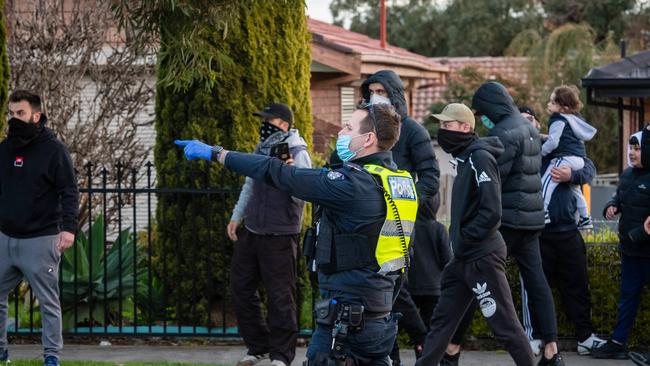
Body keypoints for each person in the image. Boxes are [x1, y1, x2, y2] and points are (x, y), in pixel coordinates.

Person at [176, 102, 418, 366]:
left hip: (348, 323)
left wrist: (218, 153)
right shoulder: (400, 182)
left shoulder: (353, 185)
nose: (341, 132)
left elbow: (278, 172)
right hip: (380, 316)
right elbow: (401, 254)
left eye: (348, 128)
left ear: (368, 138)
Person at [329, 69, 440, 365]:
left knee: (393, 293)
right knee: (378, 301)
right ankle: (396, 353)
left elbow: (430, 177)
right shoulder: (357, 130)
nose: (375, 95)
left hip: (394, 226)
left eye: (382, 90)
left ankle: (419, 341)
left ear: (395, 94)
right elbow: (335, 167)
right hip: (360, 224)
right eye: (371, 90)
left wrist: (403, 200)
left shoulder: (413, 131)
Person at [416, 102, 535, 366]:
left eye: (448, 125)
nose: (443, 130)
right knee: (442, 323)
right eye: (441, 125)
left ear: (466, 127)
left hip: (482, 256)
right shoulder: (465, 157)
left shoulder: (479, 157)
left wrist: (466, 238)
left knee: (505, 325)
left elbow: (492, 211)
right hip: (463, 259)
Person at [472, 81, 564, 366]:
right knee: (537, 283)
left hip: (508, 221)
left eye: (481, 112)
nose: (481, 119)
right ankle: (552, 350)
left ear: (490, 107)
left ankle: (450, 348)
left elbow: (494, 178)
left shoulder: (503, 132)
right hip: (532, 220)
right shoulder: (529, 128)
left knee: (472, 276)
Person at [225, 103, 311, 366]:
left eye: (269, 121)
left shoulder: (298, 152)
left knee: (281, 297)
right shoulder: (260, 150)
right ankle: (258, 346)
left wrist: (290, 171)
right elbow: (250, 184)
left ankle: (281, 355)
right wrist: (237, 216)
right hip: (252, 231)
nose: (264, 125)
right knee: (240, 288)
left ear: (283, 124)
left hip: (281, 234)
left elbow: (304, 195)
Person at [0, 90, 79, 366]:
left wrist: (68, 229)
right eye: (10, 113)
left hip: (41, 239)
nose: (14, 119)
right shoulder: (6, 149)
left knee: (48, 302)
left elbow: (69, 190)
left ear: (36, 115)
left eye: (19, 113)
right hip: (5, 238)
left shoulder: (53, 149)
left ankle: (51, 357)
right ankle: (1, 352)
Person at [522, 157, 607, 356]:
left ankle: (585, 337)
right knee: (535, 286)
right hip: (538, 233)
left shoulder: (570, 149)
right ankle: (534, 337)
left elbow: (590, 168)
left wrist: (572, 176)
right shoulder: (534, 149)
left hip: (569, 232)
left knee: (578, 286)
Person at [591, 129, 650, 360]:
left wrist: (635, 235)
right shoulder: (626, 175)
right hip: (630, 253)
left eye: (637, 149)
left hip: (645, 251)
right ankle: (617, 343)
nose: (632, 153)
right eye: (631, 149)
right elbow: (620, 197)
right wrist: (611, 206)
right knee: (627, 298)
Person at [541, 85, 597, 229]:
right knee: (575, 190)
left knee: (546, 183)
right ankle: (585, 218)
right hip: (579, 159)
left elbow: (553, 142)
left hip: (564, 157)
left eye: (553, 102)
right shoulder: (575, 119)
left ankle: (543, 212)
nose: (549, 104)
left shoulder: (557, 119)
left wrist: (541, 152)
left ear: (564, 108)